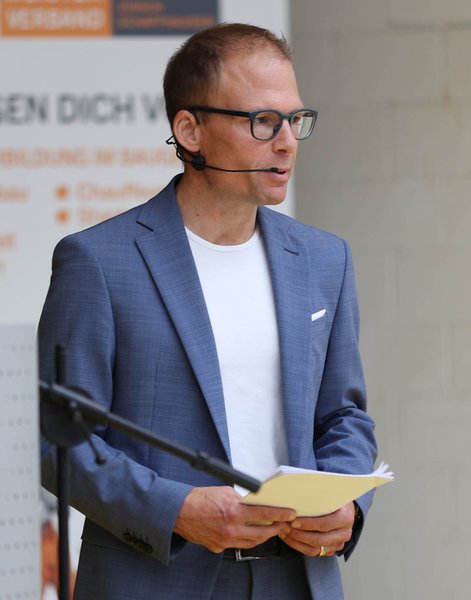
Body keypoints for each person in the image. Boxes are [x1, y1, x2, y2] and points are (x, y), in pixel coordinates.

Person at [39, 22, 378, 600]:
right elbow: (57, 438)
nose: (287, 141)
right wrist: (174, 509)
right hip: (155, 577)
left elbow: (343, 416)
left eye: (295, 119)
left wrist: (349, 503)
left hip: (297, 577)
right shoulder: (97, 262)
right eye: (263, 120)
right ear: (189, 130)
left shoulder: (325, 260)